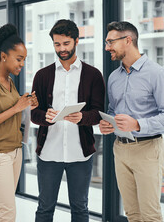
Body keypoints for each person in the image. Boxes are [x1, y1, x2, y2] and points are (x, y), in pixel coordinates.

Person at [100, 21, 164, 222]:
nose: (107, 47)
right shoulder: (113, 77)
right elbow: (113, 110)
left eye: (110, 42)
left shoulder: (157, 73)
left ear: (128, 40)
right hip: (120, 149)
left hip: (148, 149)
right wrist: (108, 124)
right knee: (132, 214)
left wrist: (137, 124)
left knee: (150, 215)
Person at [31, 19, 105, 222]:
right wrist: (44, 117)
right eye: (57, 44)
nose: (61, 49)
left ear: (76, 41)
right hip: (49, 153)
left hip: (80, 155)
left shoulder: (93, 75)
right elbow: (34, 113)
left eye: (66, 43)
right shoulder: (42, 75)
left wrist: (82, 117)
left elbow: (99, 113)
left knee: (80, 208)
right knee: (45, 207)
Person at [0, 23, 38, 222]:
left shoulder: (10, 82)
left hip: (15, 151)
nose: (22, 64)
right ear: (4, 56)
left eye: (24, 60)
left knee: (1, 208)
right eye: (19, 59)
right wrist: (16, 107)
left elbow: (13, 114)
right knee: (7, 211)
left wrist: (27, 104)